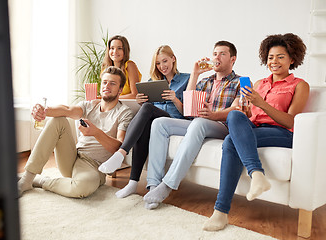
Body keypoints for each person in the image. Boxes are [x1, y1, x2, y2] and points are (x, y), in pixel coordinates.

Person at [203, 33, 309, 231]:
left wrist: (262, 104)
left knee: (229, 142)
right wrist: (247, 109)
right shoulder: (259, 83)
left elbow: (291, 120)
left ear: (292, 59)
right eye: (270, 57)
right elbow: (251, 115)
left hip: (282, 132)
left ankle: (221, 212)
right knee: (235, 116)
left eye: (280, 57)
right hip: (255, 128)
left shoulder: (299, 85)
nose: (274, 61)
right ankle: (257, 175)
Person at [143, 41, 241, 209]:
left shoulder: (239, 82)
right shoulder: (205, 81)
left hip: (221, 126)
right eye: (215, 53)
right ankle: (153, 184)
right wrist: (195, 73)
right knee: (159, 123)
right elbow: (188, 109)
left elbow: (237, 109)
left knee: (199, 123)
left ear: (233, 59)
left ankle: (168, 185)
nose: (217, 57)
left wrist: (213, 115)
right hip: (200, 122)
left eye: (222, 54)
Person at [17, 66, 133, 198]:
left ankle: (42, 181)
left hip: (94, 166)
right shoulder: (89, 105)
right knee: (58, 121)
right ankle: (27, 179)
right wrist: (44, 111)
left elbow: (119, 147)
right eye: (105, 82)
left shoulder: (124, 113)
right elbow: (67, 109)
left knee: (81, 188)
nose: (107, 86)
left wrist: (96, 132)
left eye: (112, 83)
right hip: (73, 157)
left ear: (120, 89)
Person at [98, 45, 190, 200]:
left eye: (165, 61)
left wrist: (174, 98)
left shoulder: (187, 79)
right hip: (156, 122)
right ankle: (133, 183)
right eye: (158, 64)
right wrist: (140, 102)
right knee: (145, 119)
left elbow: (188, 113)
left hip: (175, 122)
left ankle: (121, 153)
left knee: (147, 109)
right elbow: (150, 110)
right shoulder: (152, 82)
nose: (162, 66)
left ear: (173, 59)